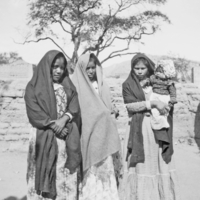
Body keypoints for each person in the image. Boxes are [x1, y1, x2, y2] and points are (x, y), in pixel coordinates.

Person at [119, 53, 180, 200]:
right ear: (132, 68)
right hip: (139, 128)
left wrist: (166, 105)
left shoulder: (157, 82)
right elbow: (130, 106)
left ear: (149, 68)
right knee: (141, 164)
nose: (139, 71)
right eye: (136, 68)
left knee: (157, 161)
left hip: (157, 128)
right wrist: (152, 104)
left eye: (143, 68)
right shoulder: (128, 85)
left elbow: (169, 98)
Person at [24, 50, 81, 200]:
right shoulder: (33, 87)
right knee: (43, 171)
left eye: (62, 68)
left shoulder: (67, 86)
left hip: (64, 138)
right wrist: (54, 126)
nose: (59, 71)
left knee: (63, 173)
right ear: (47, 66)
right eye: (55, 66)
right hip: (42, 136)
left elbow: (74, 105)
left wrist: (63, 120)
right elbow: (34, 112)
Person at [72, 53, 122, 200]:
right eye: (87, 68)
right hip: (87, 132)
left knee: (104, 166)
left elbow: (107, 105)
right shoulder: (76, 86)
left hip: (104, 133)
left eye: (93, 67)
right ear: (81, 68)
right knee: (90, 169)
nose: (91, 71)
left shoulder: (102, 84)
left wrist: (112, 110)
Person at [149, 59, 177, 130]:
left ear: (167, 73)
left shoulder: (169, 83)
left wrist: (170, 104)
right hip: (155, 97)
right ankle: (156, 125)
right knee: (154, 112)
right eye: (157, 71)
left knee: (164, 113)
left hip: (164, 98)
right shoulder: (154, 79)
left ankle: (164, 125)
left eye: (161, 72)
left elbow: (173, 95)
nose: (158, 73)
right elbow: (149, 82)